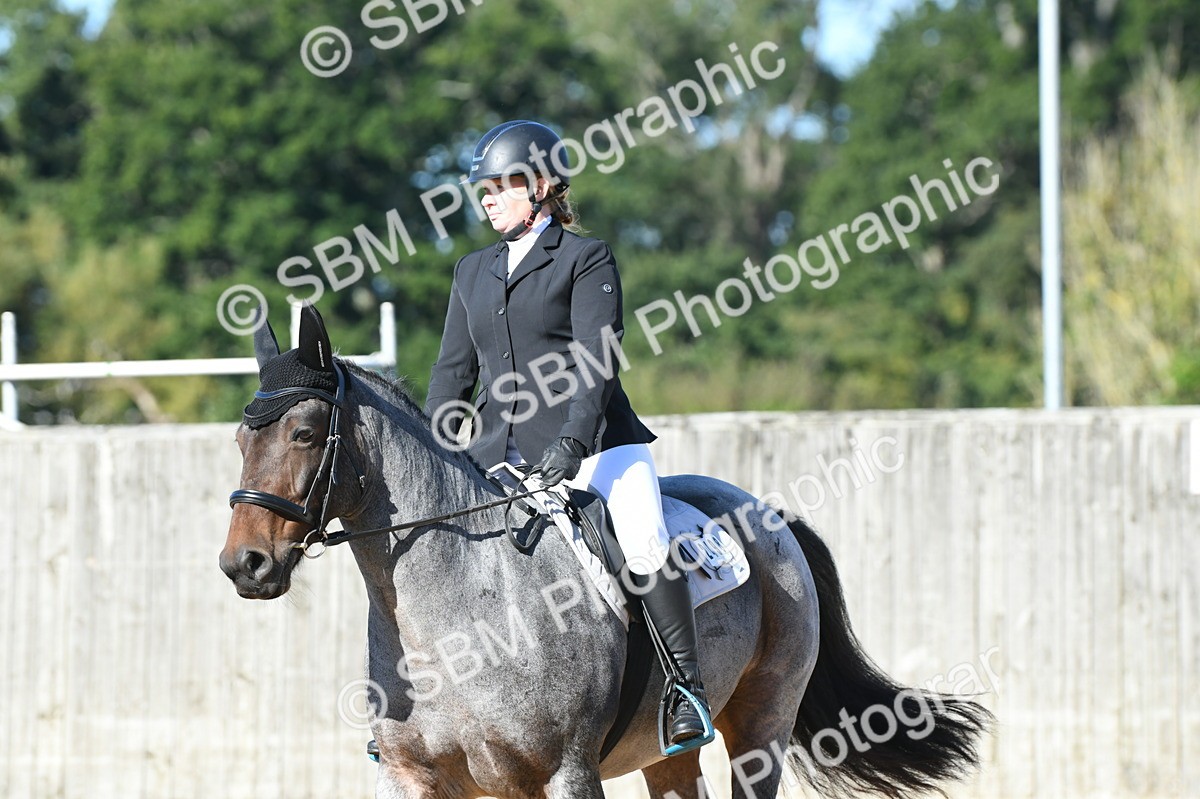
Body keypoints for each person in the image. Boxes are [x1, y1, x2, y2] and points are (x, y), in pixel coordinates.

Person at [424, 120, 713, 750]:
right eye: (483, 189)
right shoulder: (471, 272)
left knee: (642, 540)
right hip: (499, 454)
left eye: (502, 185)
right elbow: (452, 374)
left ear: (544, 185)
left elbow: (596, 361)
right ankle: (425, 711)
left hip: (599, 446)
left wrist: (573, 444)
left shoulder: (586, 258)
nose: (488, 198)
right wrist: (436, 451)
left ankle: (684, 689)